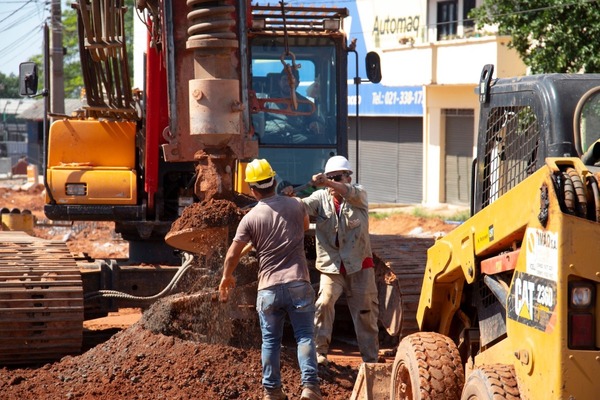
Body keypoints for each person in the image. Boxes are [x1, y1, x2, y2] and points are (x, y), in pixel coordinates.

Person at [218, 159, 322, 400]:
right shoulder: (296, 205)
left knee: (270, 342)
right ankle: (309, 388)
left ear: (252, 189)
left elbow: (233, 253)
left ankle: (272, 391)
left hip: (268, 289)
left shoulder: (250, 219)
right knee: (304, 336)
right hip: (298, 283)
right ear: (274, 181)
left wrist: (226, 277)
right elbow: (304, 226)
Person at [293, 155, 379, 365]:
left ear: (347, 178)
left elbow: (350, 192)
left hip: (360, 265)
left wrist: (327, 181)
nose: (331, 183)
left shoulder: (358, 195)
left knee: (365, 312)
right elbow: (301, 206)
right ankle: (319, 354)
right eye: (329, 178)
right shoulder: (321, 198)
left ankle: (370, 361)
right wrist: (291, 197)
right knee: (324, 303)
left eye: (337, 178)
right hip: (332, 266)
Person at [262, 68, 323, 143]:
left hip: (296, 137)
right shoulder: (267, 100)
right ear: (279, 82)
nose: (288, 83)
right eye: (285, 80)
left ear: (298, 83)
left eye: (292, 80)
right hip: (272, 135)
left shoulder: (306, 103)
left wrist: (314, 124)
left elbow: (315, 120)